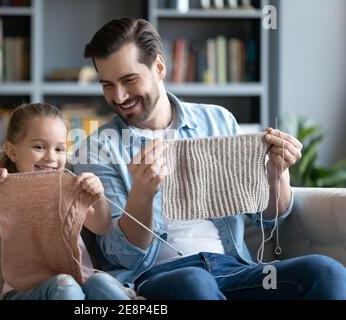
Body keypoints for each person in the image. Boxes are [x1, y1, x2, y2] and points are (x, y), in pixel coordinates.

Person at [73, 17, 346, 299]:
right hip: (158, 278)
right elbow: (124, 258)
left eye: (129, 80)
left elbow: (268, 218)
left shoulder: (216, 120)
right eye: (107, 85)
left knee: (326, 271)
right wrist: (142, 194)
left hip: (235, 269)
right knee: (195, 282)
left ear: (159, 67)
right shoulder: (97, 150)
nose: (118, 96)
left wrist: (275, 176)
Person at [0, 103, 131, 300]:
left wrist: (98, 197)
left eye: (59, 149)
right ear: (12, 151)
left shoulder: (67, 188)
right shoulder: (7, 194)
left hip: (80, 284)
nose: (51, 157)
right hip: (24, 293)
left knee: (101, 283)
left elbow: (101, 226)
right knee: (65, 286)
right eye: (39, 147)